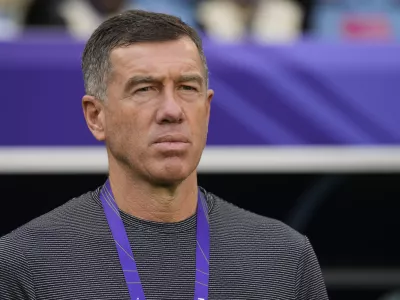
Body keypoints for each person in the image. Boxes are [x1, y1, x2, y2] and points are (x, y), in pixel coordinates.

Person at [0, 10, 329, 299]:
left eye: (187, 88)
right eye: (144, 89)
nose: (172, 111)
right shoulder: (25, 264)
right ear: (95, 117)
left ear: (207, 109)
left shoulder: (284, 258)